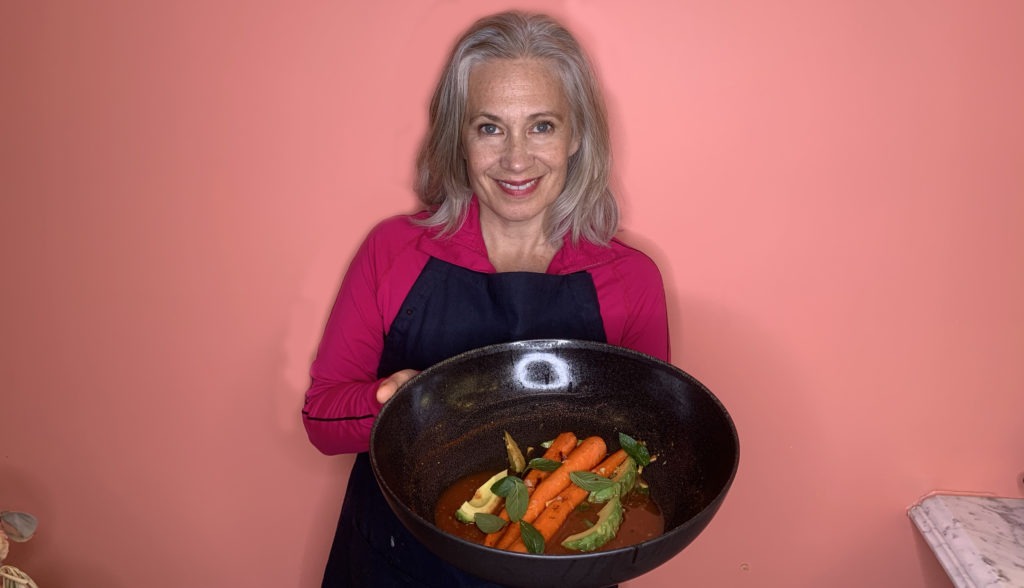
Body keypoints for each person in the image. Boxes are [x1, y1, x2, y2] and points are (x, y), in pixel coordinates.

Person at [303, 10, 670, 587]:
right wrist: (391, 403)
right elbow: (321, 419)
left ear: (577, 136)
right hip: (397, 564)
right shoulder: (394, 251)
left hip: (560, 568)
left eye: (542, 126)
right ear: (460, 138)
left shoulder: (630, 280)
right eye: (490, 127)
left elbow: (641, 449)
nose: (516, 159)